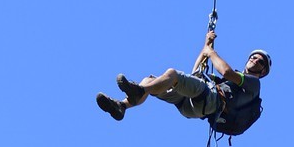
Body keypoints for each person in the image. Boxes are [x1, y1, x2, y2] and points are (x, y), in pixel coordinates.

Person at [96, 30, 270, 132]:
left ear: (262, 72)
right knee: (149, 80)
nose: (255, 59)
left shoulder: (253, 84)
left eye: (260, 61)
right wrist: (206, 46)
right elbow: (196, 74)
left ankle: (140, 91)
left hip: (211, 102)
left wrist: (211, 52)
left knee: (172, 74)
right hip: (193, 106)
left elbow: (226, 71)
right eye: (253, 56)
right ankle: (122, 106)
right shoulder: (228, 84)